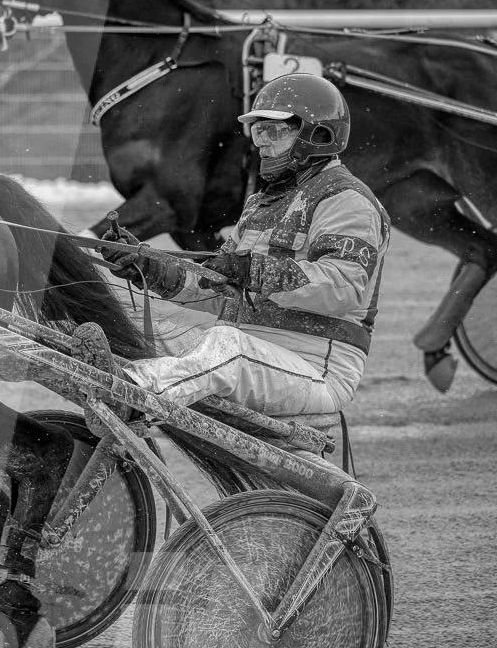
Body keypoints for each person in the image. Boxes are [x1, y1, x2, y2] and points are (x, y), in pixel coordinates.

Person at [85, 73, 391, 421]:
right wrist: (148, 266)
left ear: (318, 135)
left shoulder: (346, 200)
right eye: (258, 132)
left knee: (226, 347)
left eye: (274, 131)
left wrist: (252, 271)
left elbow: (341, 289)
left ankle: (128, 392)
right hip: (247, 349)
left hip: (315, 367)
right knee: (126, 316)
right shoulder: (260, 204)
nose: (262, 144)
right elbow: (215, 286)